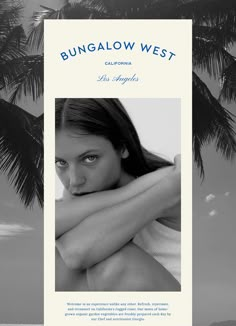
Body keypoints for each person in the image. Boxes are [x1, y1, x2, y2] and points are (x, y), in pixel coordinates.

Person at [55, 98, 181, 291]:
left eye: (90, 158)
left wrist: (169, 188)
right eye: (61, 163)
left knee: (115, 265)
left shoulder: (177, 192)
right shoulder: (169, 182)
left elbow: (76, 252)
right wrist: (135, 190)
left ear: (122, 147)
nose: (74, 180)